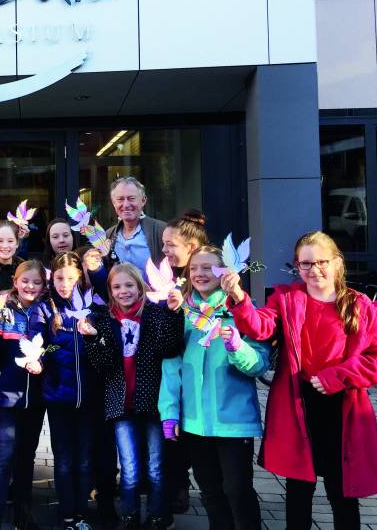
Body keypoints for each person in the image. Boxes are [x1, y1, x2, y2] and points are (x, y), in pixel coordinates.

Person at [223, 231, 377, 529]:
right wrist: (240, 298)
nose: (313, 269)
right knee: (298, 489)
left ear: (337, 263)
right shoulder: (286, 299)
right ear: (297, 265)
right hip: (299, 406)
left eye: (321, 262)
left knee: (342, 492)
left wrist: (339, 376)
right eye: (305, 264)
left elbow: (376, 358)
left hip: (343, 409)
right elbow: (260, 327)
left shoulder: (360, 306)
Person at [158, 245, 269, 530]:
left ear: (225, 272)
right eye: (194, 268)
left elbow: (258, 365)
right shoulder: (181, 312)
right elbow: (171, 367)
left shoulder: (243, 309)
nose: (199, 274)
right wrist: (169, 412)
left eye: (208, 268)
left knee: (237, 491)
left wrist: (236, 345)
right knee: (210, 492)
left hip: (233, 422)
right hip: (194, 423)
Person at [80, 263, 184, 530]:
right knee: (129, 467)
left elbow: (170, 348)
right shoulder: (104, 319)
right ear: (110, 291)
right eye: (117, 287)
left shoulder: (155, 314)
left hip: (152, 403)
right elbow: (102, 366)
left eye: (129, 285)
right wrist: (92, 339)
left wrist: (174, 314)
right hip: (120, 405)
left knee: (156, 467)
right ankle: (129, 515)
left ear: (140, 287)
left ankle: (158, 514)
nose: (123, 291)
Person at [0, 260, 47, 530]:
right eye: (25, 281)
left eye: (37, 282)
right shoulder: (2, 313)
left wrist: (43, 363)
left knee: (26, 457)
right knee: (2, 458)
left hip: (34, 399)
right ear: (16, 282)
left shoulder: (45, 313)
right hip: (5, 397)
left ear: (43, 286)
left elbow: (53, 349)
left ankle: (22, 513)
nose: (30, 286)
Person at [33, 252, 96, 530]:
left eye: (70, 278)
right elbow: (44, 345)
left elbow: (104, 346)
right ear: (52, 278)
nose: (64, 283)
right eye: (59, 278)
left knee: (83, 461)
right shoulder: (46, 308)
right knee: (64, 459)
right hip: (59, 397)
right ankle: (67, 514)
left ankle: (82, 514)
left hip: (89, 398)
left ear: (80, 278)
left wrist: (93, 337)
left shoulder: (93, 305)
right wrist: (42, 357)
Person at [158, 209, 208, 514]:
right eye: (163, 244)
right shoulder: (169, 280)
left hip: (198, 377)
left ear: (190, 247)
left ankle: (183, 487)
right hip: (171, 376)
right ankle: (175, 489)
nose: (164, 250)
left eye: (170, 244)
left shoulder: (204, 283)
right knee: (171, 438)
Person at [104, 177, 167, 274]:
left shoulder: (161, 231)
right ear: (114, 203)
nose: (125, 204)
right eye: (120, 199)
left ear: (143, 200)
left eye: (131, 198)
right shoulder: (108, 236)